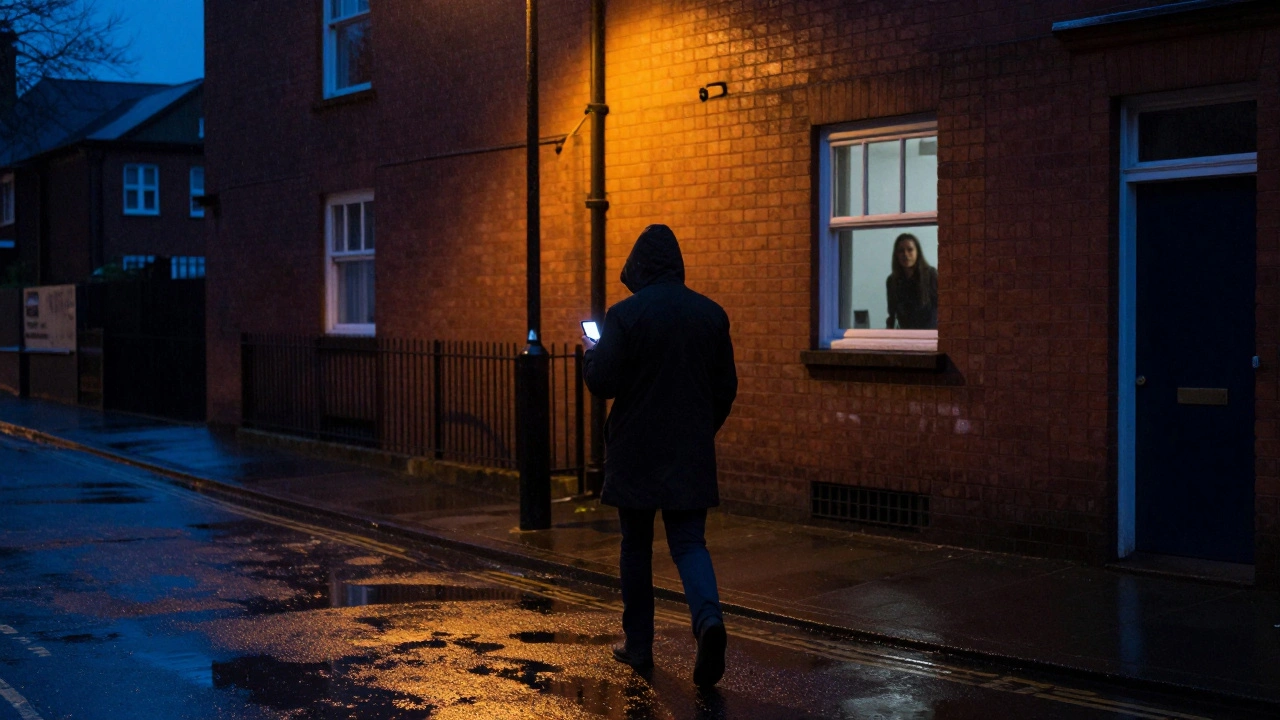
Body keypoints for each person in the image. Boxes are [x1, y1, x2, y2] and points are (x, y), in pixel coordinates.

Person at [582, 223, 738, 688]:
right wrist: (699, 432)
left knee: (636, 546)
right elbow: (725, 389)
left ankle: (639, 645)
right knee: (690, 544)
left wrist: (591, 353)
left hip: (635, 454)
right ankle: (708, 623)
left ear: (640, 266)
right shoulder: (711, 315)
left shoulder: (626, 316)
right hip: (688, 453)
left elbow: (601, 382)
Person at [885, 233, 938, 329]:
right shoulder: (892, 281)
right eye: (901, 251)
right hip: (905, 335)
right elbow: (892, 313)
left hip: (930, 334)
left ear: (917, 252)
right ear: (896, 254)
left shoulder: (930, 275)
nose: (905, 254)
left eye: (910, 250)